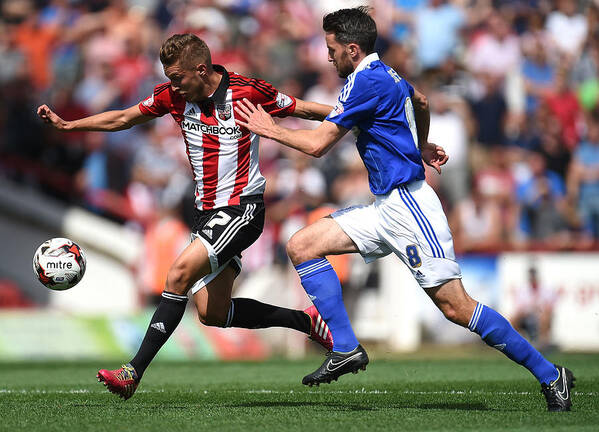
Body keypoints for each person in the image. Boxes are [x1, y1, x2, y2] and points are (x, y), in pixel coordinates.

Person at [235, 7, 575, 412]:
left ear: (352, 49)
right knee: (303, 245)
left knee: (455, 307)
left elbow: (317, 145)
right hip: (385, 206)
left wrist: (267, 128)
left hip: (410, 207)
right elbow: (421, 100)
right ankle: (345, 346)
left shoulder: (363, 83)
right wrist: (420, 143)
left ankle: (551, 375)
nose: (328, 57)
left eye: (332, 49)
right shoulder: (386, 74)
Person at [37, 33, 335, 400]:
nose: (172, 85)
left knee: (177, 274)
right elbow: (125, 118)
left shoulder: (247, 92)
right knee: (212, 312)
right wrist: (69, 125)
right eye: (169, 77)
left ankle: (132, 371)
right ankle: (307, 321)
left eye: (177, 77)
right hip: (206, 214)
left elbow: (304, 109)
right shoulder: (173, 96)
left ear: (201, 68)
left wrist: (358, 114)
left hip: (242, 208)